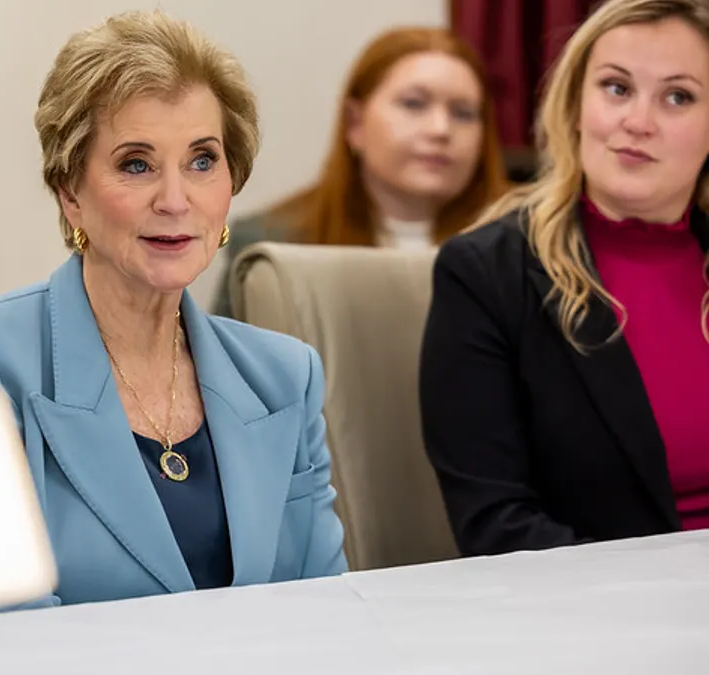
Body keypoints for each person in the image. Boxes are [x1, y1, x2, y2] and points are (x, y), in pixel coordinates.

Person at [0, 10, 346, 609]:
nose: (175, 200)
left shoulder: (284, 378)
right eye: (136, 164)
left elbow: (328, 613)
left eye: (202, 160)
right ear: (70, 194)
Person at [420, 0, 709, 557]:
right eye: (616, 88)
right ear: (576, 103)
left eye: (678, 96)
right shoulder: (486, 275)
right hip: (605, 613)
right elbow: (495, 524)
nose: (639, 122)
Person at [212, 27, 508, 318]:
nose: (440, 129)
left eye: (463, 113)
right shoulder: (270, 241)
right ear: (355, 124)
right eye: (414, 104)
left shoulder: (525, 244)